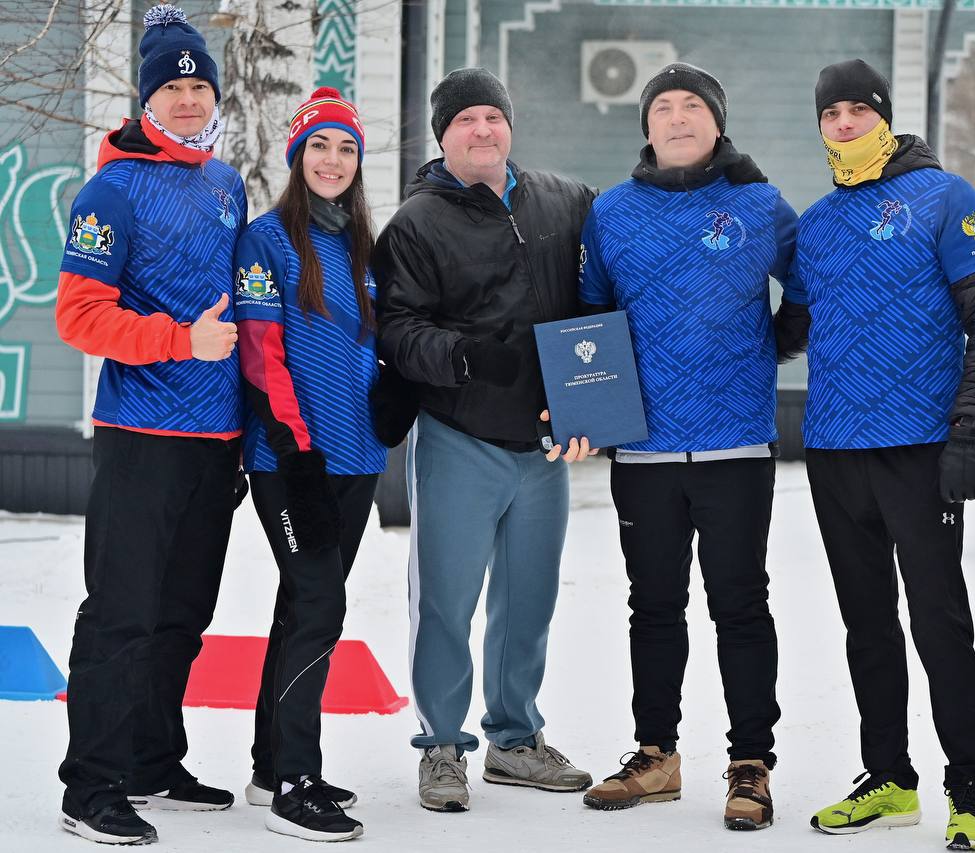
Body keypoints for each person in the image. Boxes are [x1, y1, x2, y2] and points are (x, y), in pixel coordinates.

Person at [788, 59, 975, 850]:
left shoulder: (945, 197)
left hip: (921, 448)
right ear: (820, 126)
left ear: (883, 118)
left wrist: (969, 431)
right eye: (832, 114)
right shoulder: (814, 225)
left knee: (938, 623)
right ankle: (888, 776)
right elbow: (791, 327)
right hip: (833, 450)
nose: (845, 123)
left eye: (859, 110)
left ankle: (968, 787)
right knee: (866, 624)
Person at [575, 62, 805, 832]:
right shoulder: (610, 213)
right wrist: (589, 410)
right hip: (642, 450)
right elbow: (589, 317)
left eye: (693, 106)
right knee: (653, 605)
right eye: (662, 107)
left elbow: (804, 289)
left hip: (736, 441)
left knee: (740, 603)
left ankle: (751, 763)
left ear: (716, 122)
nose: (677, 117)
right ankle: (656, 753)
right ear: (645, 126)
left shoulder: (760, 205)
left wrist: (770, 348)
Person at [372, 67, 595, 814]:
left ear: (510, 127)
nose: (482, 131)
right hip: (459, 434)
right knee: (445, 598)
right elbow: (398, 330)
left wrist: (589, 406)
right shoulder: (415, 224)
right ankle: (441, 744)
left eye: (493, 118)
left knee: (527, 598)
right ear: (443, 135)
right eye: (465, 121)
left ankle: (514, 739)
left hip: (542, 443)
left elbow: (599, 303)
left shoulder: (565, 201)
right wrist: (464, 356)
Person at [53, 4, 245, 844]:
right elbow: (78, 317)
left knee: (181, 615)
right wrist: (180, 341)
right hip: (140, 435)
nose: (190, 98)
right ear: (146, 100)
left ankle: (152, 757)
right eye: (174, 86)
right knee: (122, 613)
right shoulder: (111, 189)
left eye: (200, 85)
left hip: (216, 439)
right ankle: (90, 783)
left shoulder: (225, 181)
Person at [232, 87, 386, 842]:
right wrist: (295, 452)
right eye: (320, 146)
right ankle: (297, 780)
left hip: (359, 457)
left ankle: (270, 765)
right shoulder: (268, 240)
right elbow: (263, 357)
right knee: (322, 607)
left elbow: (369, 350)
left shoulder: (360, 247)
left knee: (301, 607)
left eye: (346, 148)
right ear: (298, 156)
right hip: (294, 460)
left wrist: (391, 406)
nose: (333, 160)